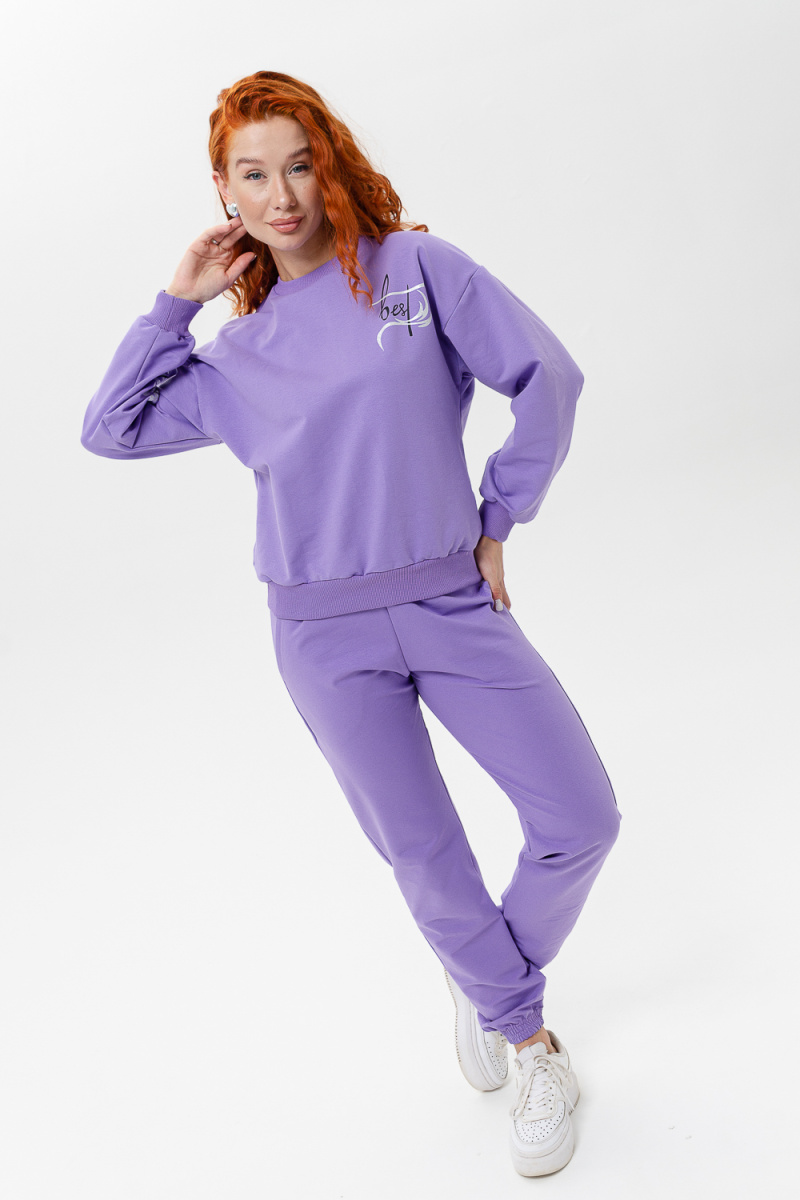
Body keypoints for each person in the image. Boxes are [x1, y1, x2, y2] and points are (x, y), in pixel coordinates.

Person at [80, 69, 622, 1178]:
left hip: (450, 600)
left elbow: (549, 378)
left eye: (296, 165)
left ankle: (484, 981)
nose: (280, 196)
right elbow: (110, 428)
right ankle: (529, 1042)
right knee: (423, 854)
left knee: (580, 818)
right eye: (251, 176)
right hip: (322, 637)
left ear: (327, 162)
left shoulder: (415, 272)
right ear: (225, 193)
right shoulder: (235, 355)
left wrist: (498, 517)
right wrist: (176, 302)